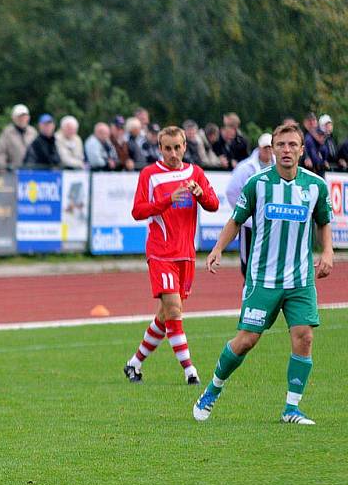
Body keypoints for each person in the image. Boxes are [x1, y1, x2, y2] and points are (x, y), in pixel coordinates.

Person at [194, 123, 333, 425]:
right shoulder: (257, 184)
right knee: (246, 340)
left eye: (292, 145)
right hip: (263, 279)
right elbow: (236, 219)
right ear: (272, 148)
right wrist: (218, 248)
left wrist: (328, 252)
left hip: (300, 278)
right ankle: (212, 389)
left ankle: (291, 409)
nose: (286, 150)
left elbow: (323, 222)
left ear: (301, 149)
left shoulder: (315, 186)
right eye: (280, 144)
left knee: (304, 337)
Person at [124, 125, 219, 385]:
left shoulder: (195, 172)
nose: (173, 153)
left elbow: (214, 204)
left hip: (186, 254)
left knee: (166, 314)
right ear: (160, 148)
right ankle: (191, 372)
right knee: (175, 310)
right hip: (161, 252)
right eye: (168, 148)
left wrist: (202, 195)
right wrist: (167, 200)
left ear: (185, 146)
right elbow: (138, 211)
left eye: (178, 147)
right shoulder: (150, 174)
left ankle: (134, 364)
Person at [225, 133, 274, 277]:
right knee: (248, 263)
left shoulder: (279, 166)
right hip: (250, 224)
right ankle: (248, 288)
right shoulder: (245, 168)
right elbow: (231, 191)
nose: (269, 151)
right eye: (266, 148)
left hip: (272, 222)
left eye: (271, 147)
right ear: (259, 148)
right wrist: (244, 212)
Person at [0, 104, 37, 168]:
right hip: (13, 171)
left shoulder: (33, 132)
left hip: (31, 171)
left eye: (24, 116)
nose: (22, 119)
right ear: (13, 118)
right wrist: (2, 166)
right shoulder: (7, 132)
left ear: (28, 118)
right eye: (19, 117)